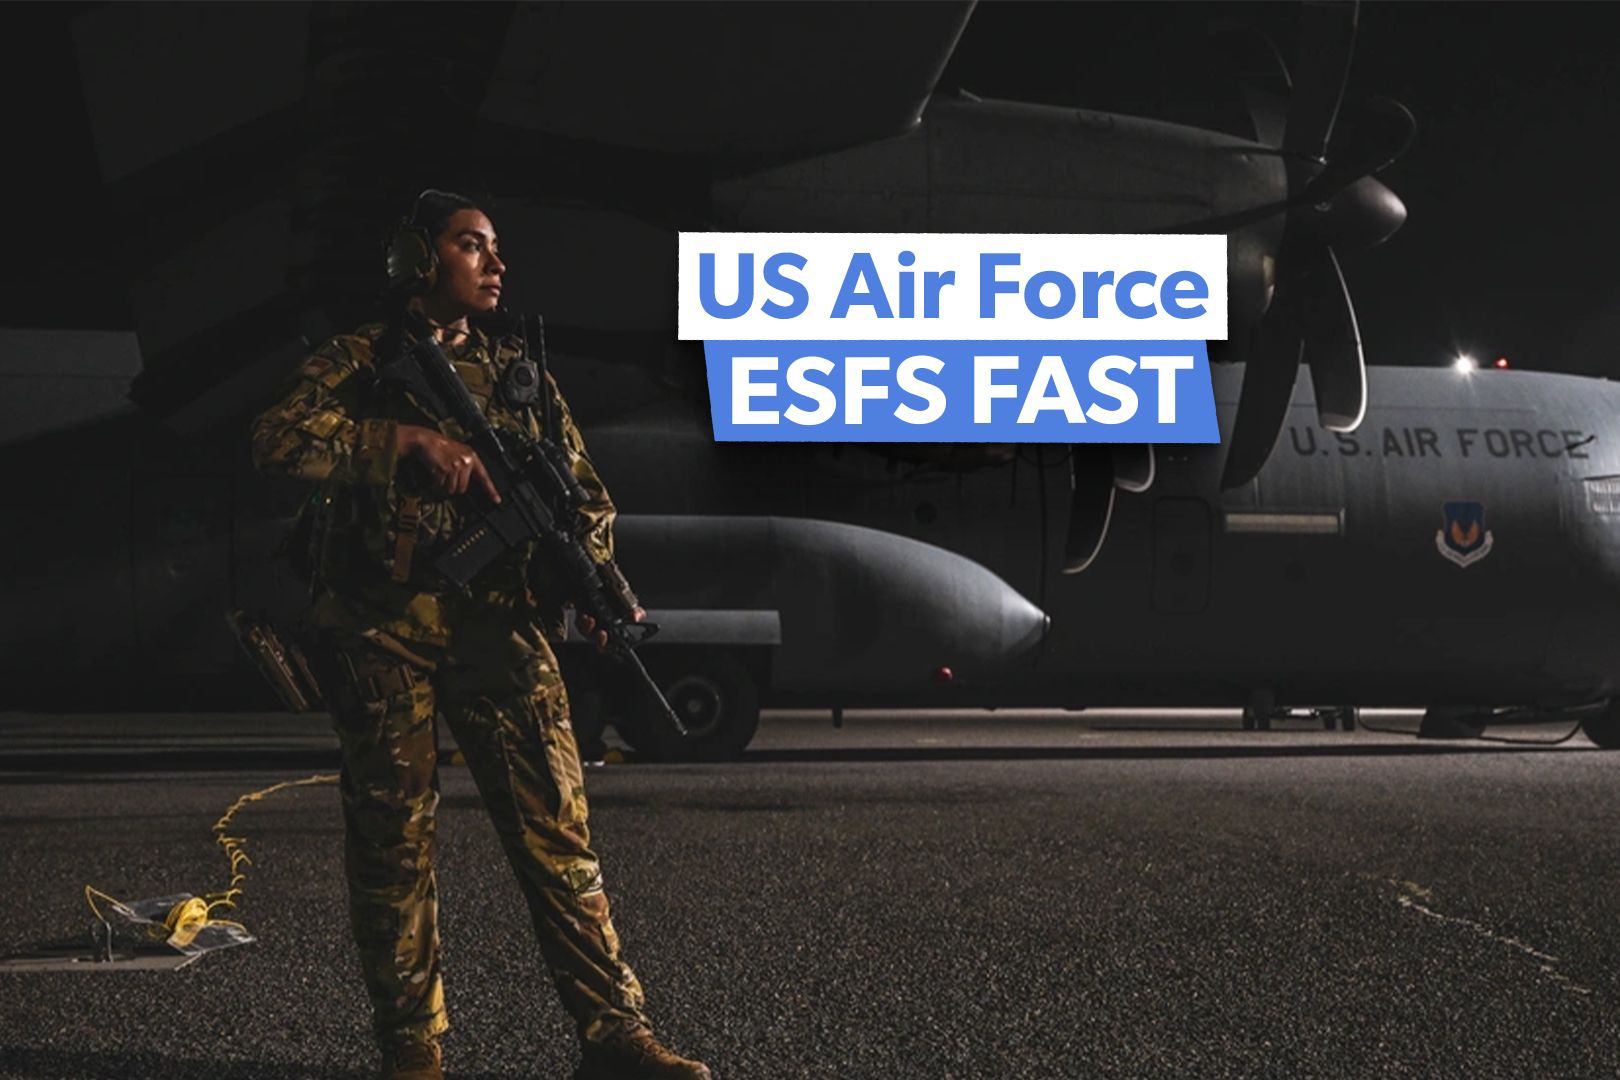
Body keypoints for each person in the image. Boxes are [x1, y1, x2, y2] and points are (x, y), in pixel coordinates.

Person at [251, 190, 711, 1080]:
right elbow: (276, 439)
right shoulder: (362, 361)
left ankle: (614, 1034)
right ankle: (413, 1052)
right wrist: (401, 445)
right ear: (418, 263)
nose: (496, 263)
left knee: (558, 832)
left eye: (497, 248)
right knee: (394, 847)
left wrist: (601, 585)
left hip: (501, 629)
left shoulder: (519, 377)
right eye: (472, 246)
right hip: (383, 630)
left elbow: (584, 498)